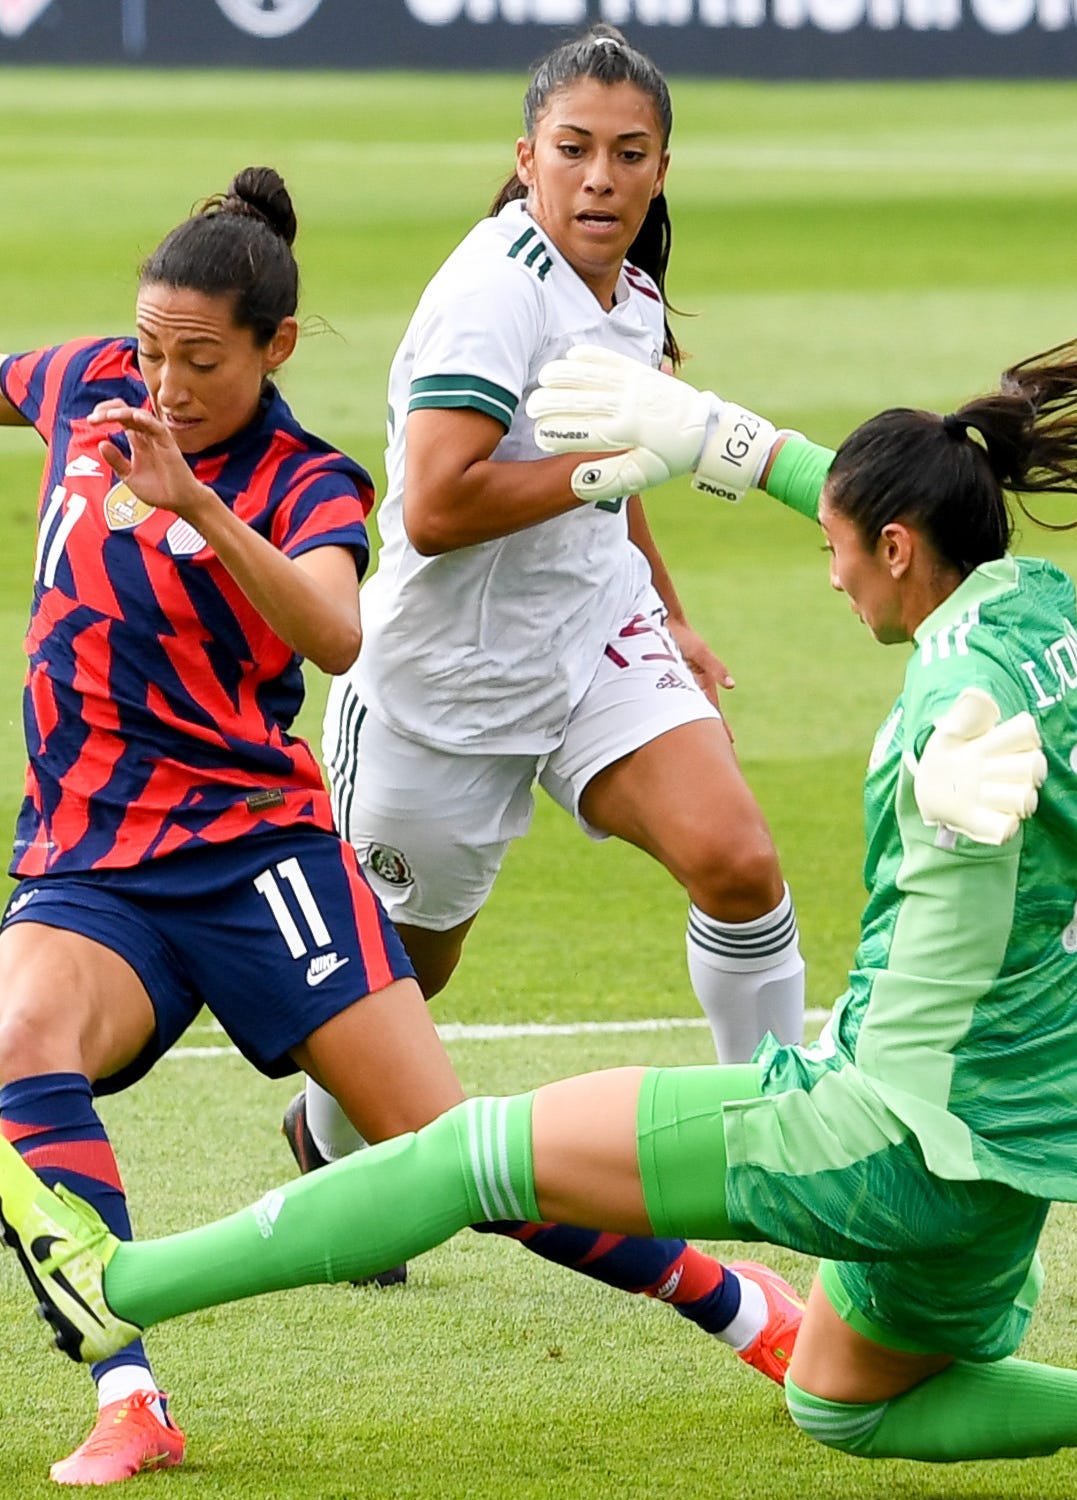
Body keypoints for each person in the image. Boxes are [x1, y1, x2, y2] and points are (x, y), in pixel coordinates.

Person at [0, 324, 1077, 1500]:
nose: (828, 575)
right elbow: (868, 496)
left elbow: (946, 928)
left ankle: (120, 1283)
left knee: (467, 1156)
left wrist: (949, 826)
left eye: (836, 553)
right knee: (842, 1402)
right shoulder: (1037, 609)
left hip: (880, 1130)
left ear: (898, 549)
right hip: (1024, 1150)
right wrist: (709, 437)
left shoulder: (948, 721)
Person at [0, 121, 803, 1486]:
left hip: (258, 859)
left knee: (453, 1157)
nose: (161, 386)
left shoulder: (303, 479)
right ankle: (128, 1392)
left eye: (198, 362)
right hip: (92, 864)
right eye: (150, 352)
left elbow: (333, 631)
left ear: (272, 349)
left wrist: (199, 510)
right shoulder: (94, 386)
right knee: (30, 1036)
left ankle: (745, 1307)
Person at [287, 26, 806, 1185]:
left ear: (663, 166)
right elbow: (432, 504)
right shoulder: (490, 294)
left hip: (596, 640)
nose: (602, 177)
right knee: (412, 974)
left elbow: (622, 464)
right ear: (527, 158)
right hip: (440, 687)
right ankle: (323, 1131)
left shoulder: (631, 286)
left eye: (630, 153)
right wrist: (611, 468)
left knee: (737, 860)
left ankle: (789, 1150)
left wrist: (667, 607)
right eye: (574, 150)